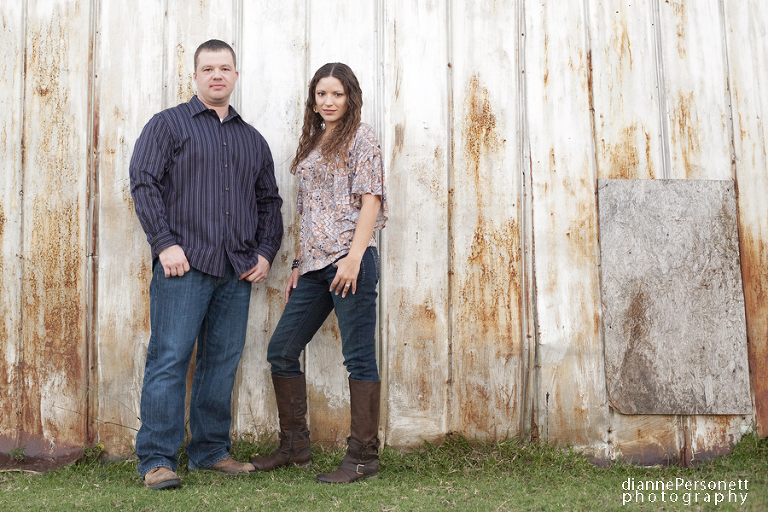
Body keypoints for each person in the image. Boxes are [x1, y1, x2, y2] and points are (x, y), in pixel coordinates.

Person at [129, 39, 283, 490]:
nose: (217, 75)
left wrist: (265, 252)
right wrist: (164, 244)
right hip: (184, 266)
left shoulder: (252, 139)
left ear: (235, 75)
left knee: (221, 362)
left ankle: (211, 452)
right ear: (195, 75)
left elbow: (269, 202)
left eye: (225, 68)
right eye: (209, 68)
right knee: (170, 358)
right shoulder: (168, 125)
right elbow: (143, 182)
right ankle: (157, 460)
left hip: (236, 270)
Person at [250, 63, 387, 484]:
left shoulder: (362, 137)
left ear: (350, 98)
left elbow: (371, 200)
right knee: (282, 351)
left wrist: (354, 257)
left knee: (358, 357)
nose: (329, 101)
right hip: (313, 267)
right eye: (322, 94)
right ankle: (295, 447)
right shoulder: (313, 141)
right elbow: (310, 210)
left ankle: (363, 457)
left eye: (337, 94)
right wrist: (298, 263)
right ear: (313, 99)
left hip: (349, 263)